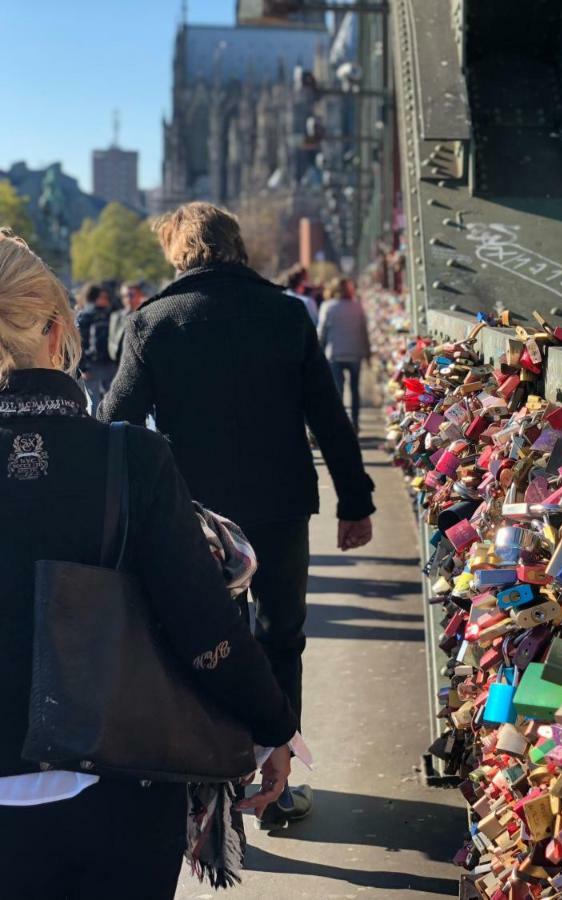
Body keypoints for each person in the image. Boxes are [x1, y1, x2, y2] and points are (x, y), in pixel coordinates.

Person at [0, 228, 297, 898]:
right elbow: (202, 623)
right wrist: (272, 726)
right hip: (114, 791)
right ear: (55, 329)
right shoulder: (127, 458)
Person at [100, 203, 376, 826]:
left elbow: (114, 421)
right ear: (237, 246)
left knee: (202, 642)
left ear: (178, 253)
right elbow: (328, 416)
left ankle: (210, 784)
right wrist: (354, 502)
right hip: (279, 508)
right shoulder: (285, 313)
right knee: (281, 639)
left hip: (192, 519)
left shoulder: (153, 322)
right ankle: (278, 789)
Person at [317, 277, 371, 432]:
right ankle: (355, 423)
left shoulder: (328, 307)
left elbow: (322, 332)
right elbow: (364, 332)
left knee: (338, 390)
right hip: (355, 353)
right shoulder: (357, 306)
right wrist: (367, 353)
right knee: (354, 390)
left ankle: (340, 424)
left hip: (335, 354)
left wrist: (318, 352)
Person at [74, 282, 115, 409]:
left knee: (98, 403)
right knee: (104, 402)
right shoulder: (108, 315)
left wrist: (83, 368)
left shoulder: (84, 315)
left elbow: (78, 343)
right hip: (102, 365)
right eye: (103, 297)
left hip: (98, 365)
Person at [108, 280, 148, 365]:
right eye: (124, 296)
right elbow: (112, 344)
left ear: (140, 295)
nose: (127, 299)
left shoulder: (148, 315)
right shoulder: (116, 317)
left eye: (131, 295)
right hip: (120, 365)